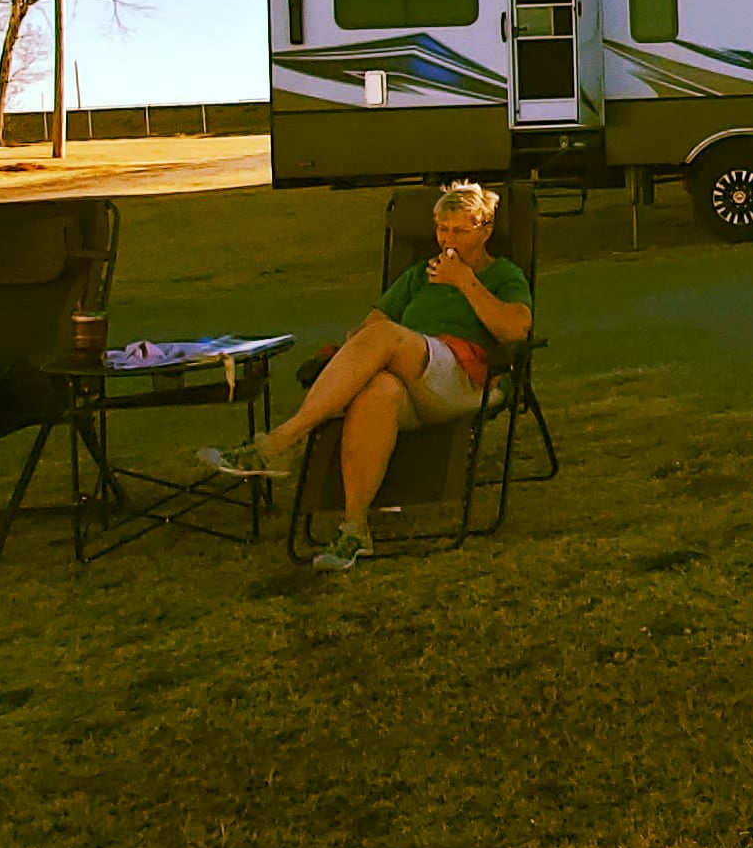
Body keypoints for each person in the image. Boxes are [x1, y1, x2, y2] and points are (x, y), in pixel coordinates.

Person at [201, 180, 532, 571]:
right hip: (415, 385)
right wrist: (350, 359)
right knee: (377, 389)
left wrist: (464, 282)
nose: (449, 240)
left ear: (486, 230)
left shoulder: (502, 274)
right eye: (443, 229)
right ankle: (354, 530)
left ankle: (281, 441)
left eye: (460, 229)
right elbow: (368, 329)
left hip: (466, 380)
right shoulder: (418, 275)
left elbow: (516, 331)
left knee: (385, 337)